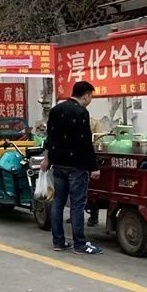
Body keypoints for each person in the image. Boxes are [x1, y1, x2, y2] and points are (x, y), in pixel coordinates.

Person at [41, 80, 103, 255]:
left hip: (57, 164)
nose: (90, 100)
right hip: (76, 166)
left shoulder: (55, 110)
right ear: (86, 96)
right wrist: (94, 166)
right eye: (91, 97)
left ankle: (58, 242)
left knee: (58, 202)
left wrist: (47, 159)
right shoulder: (81, 112)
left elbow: (50, 137)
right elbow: (85, 142)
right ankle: (80, 244)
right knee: (77, 204)